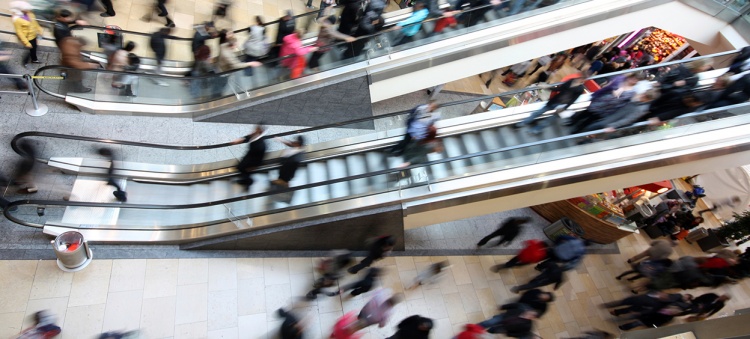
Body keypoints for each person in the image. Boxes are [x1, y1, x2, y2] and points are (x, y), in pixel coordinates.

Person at [515, 75, 585, 135]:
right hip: (555, 101)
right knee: (538, 113)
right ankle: (523, 123)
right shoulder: (571, 81)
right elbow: (560, 88)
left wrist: (564, 108)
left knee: (548, 120)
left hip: (561, 105)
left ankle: (535, 129)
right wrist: (547, 87)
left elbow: (573, 100)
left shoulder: (580, 88)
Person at [231, 125, 267, 189]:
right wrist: (241, 139)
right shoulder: (256, 135)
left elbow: (260, 156)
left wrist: (255, 166)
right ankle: (246, 182)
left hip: (253, 160)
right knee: (242, 168)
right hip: (249, 157)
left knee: (241, 168)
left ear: (260, 131)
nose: (255, 130)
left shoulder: (261, 144)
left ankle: (249, 181)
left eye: (257, 129)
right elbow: (248, 137)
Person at [11, 1, 43, 67]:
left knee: (34, 48)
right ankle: (25, 62)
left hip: (33, 35)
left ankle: (34, 59)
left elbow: (34, 23)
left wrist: (40, 30)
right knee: (30, 50)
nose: (28, 9)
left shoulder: (30, 14)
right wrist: (26, 43)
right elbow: (19, 32)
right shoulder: (17, 20)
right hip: (27, 38)